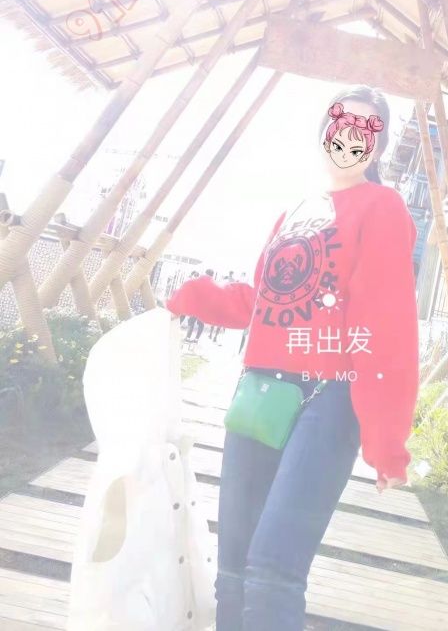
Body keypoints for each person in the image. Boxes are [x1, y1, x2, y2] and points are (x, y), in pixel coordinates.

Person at [167, 85, 419, 631]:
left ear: (377, 147)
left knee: (273, 572)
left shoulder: (383, 208)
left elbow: (384, 326)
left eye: (366, 128)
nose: (350, 135)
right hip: (260, 394)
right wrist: (191, 296)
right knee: (233, 569)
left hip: (325, 402)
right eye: (341, 122)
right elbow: (262, 300)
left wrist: (385, 440)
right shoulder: (297, 210)